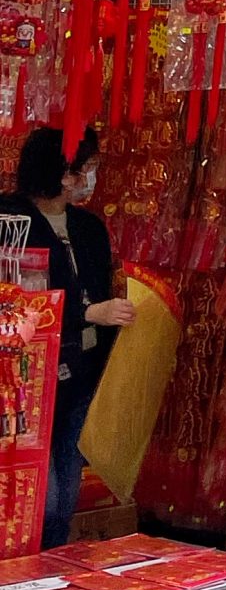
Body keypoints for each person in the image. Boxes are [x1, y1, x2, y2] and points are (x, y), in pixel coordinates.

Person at [0, 127, 133, 546]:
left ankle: (51, 581)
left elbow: (104, 287)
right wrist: (87, 313)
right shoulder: (10, 221)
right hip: (25, 381)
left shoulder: (89, 228)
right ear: (63, 174)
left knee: (66, 492)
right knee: (41, 496)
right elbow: (14, 301)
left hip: (80, 374)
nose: (90, 178)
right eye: (86, 169)